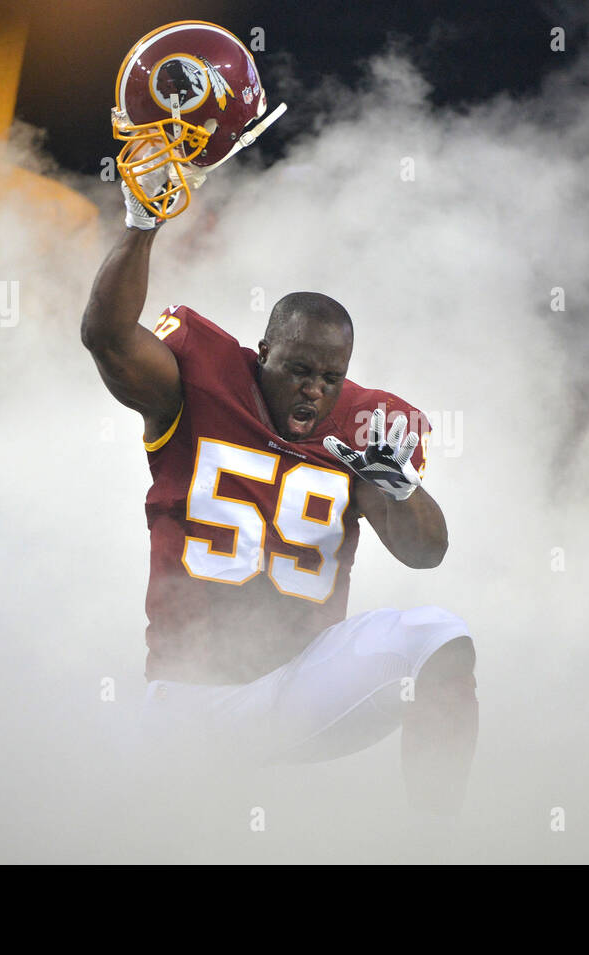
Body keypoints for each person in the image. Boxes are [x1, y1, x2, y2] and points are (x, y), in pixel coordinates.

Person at [80, 171, 478, 814]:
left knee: (441, 640)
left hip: (298, 684)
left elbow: (425, 554)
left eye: (330, 376)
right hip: (185, 697)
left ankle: (442, 843)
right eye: (297, 369)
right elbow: (106, 336)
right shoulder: (196, 386)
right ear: (262, 353)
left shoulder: (362, 432)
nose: (315, 389)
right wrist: (142, 225)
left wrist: (400, 490)